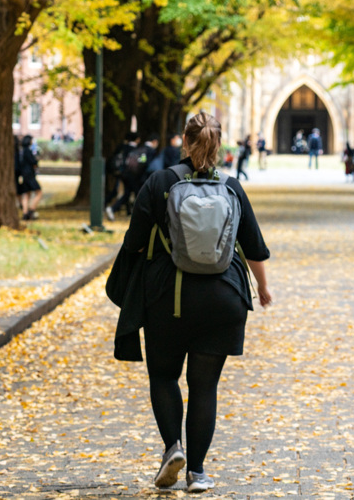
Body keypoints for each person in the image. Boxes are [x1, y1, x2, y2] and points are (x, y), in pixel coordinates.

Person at [105, 112, 272, 493]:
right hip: (223, 298)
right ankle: (198, 472)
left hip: (169, 296)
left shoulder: (160, 182)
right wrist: (263, 289)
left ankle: (172, 449)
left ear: (184, 139)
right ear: (218, 143)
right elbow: (254, 247)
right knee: (204, 386)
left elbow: (133, 242)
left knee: (164, 375)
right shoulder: (232, 186)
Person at [105, 132, 139, 222]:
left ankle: (115, 209)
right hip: (131, 175)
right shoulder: (136, 149)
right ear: (137, 139)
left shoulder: (122, 147)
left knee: (126, 193)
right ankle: (135, 212)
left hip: (121, 174)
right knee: (137, 192)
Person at [16, 134, 42, 220]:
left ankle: (25, 213)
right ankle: (31, 210)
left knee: (26, 194)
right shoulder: (27, 151)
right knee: (38, 192)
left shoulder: (21, 152)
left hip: (24, 175)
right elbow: (33, 162)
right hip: (30, 175)